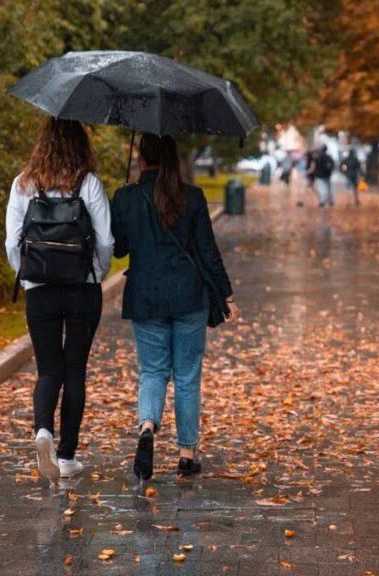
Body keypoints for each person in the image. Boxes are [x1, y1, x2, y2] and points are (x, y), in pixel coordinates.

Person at [110, 134, 239, 480]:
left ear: (142, 159)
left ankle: (148, 428)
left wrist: (122, 207)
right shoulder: (192, 198)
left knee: (152, 371)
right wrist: (226, 295)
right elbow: (208, 251)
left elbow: (118, 249)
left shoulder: (127, 197)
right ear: (174, 161)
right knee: (186, 374)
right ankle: (186, 452)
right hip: (188, 296)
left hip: (146, 297)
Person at [4, 117, 114, 483]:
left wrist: (29, 276)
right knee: (75, 370)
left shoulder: (23, 184)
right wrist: (98, 271)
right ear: (81, 144)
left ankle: (42, 432)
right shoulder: (89, 184)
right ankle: (66, 457)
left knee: (48, 369)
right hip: (83, 288)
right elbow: (104, 242)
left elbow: (10, 243)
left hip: (40, 291)